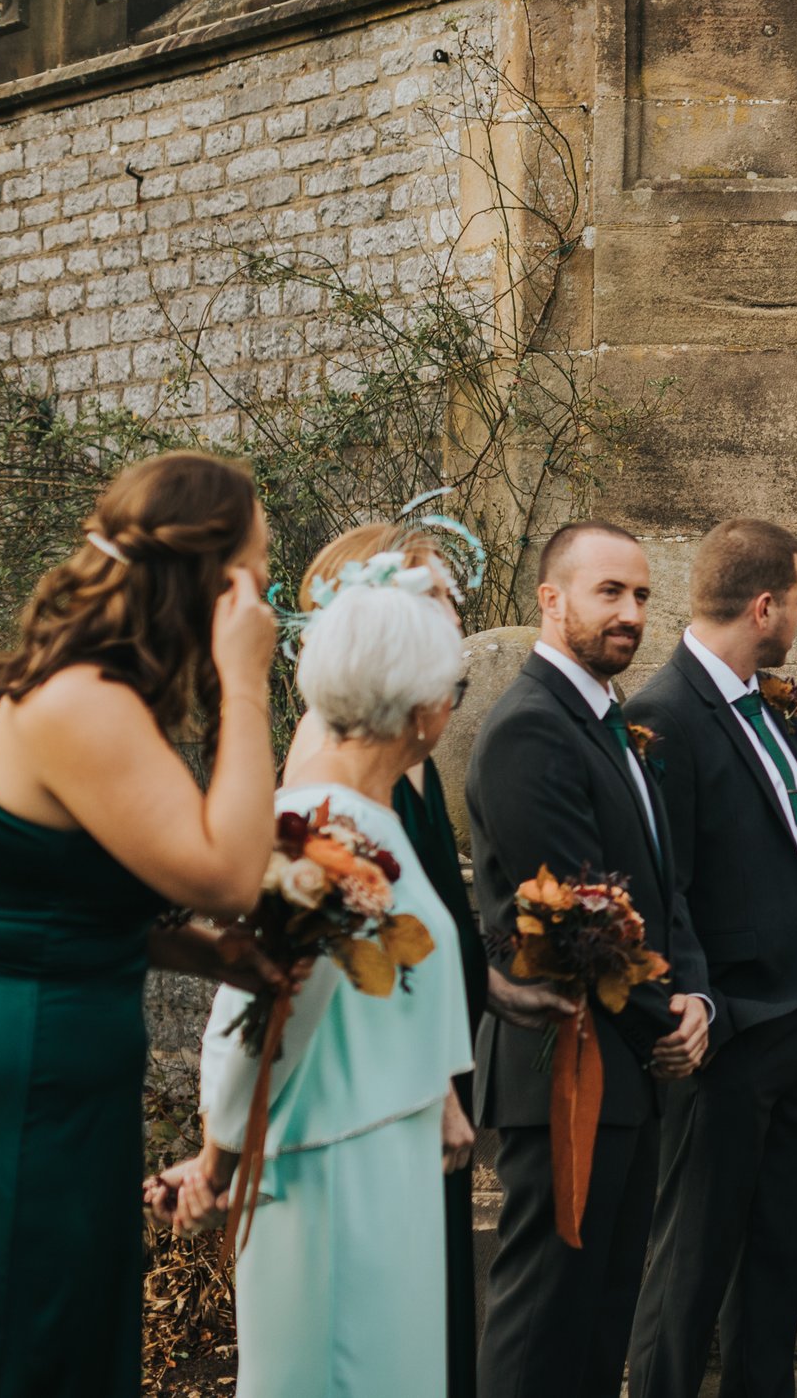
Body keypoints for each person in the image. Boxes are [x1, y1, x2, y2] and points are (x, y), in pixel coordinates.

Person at [0, 451, 280, 1398]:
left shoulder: (110, 695)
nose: (266, 599)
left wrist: (199, 953)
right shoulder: (81, 702)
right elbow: (232, 869)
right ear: (206, 579)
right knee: (28, 1328)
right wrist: (244, 682)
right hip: (28, 1061)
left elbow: (66, 898)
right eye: (257, 572)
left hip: (69, 1052)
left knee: (72, 1318)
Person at [155, 572, 478, 1396]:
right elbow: (259, 1010)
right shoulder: (320, 835)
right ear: (422, 710)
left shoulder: (372, 822)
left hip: (385, 1160)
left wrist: (436, 1089)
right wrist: (215, 1165)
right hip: (329, 1180)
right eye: (452, 686)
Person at [280, 525, 578, 1398]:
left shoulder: (409, 758)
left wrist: (495, 989)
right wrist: (432, 1084)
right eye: (437, 596)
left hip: (426, 1098)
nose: (456, 613)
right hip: (380, 1108)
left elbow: (405, 922)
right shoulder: (323, 768)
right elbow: (320, 970)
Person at [627, 520, 797, 1398]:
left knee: (776, 1258)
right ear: (764, 605)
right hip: (727, 1036)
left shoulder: (765, 703)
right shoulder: (664, 715)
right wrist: (702, 1008)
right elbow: (667, 891)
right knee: (691, 1264)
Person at [470, 522, 714, 1398]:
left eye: (643, 595)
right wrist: (667, 1024)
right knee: (544, 1317)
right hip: (561, 1065)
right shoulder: (530, 729)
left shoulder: (615, 723)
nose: (631, 612)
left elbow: (663, 883)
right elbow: (577, 914)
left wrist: (696, 1000)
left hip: (629, 1068)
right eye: (609, 591)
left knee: (603, 1314)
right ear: (551, 597)